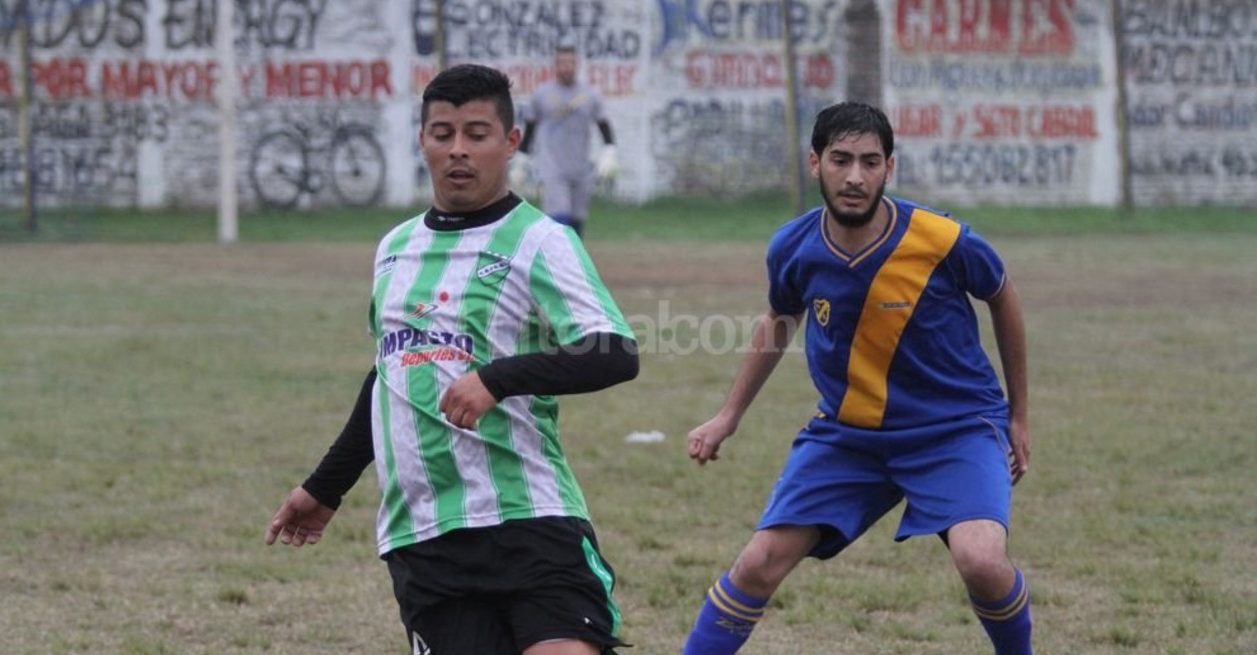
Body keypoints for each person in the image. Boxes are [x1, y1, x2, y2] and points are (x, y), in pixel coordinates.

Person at [265, 63, 639, 655]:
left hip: (530, 520)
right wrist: (325, 488)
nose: (458, 150)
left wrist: (497, 378)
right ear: (423, 142)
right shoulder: (395, 248)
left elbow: (615, 352)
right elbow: (391, 376)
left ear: (511, 142)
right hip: (425, 534)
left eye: (477, 133)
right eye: (443, 134)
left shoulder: (541, 241)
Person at [680, 101, 1034, 655]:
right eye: (841, 160)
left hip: (955, 429)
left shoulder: (942, 240)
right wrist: (728, 416)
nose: (854, 177)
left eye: (870, 162)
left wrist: (1017, 414)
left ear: (889, 168)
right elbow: (779, 318)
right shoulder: (793, 247)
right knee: (758, 563)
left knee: (982, 560)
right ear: (814, 163)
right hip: (851, 435)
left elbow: (1002, 294)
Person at [513, 44, 618, 237]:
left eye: (570, 63)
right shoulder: (542, 95)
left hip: (581, 167)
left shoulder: (590, 95)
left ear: (576, 65)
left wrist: (609, 153)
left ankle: (572, 262)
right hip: (553, 167)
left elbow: (604, 125)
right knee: (558, 218)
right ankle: (555, 262)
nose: (566, 67)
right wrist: (521, 160)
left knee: (577, 220)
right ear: (555, 65)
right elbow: (530, 128)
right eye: (562, 63)